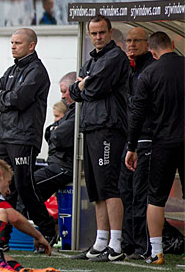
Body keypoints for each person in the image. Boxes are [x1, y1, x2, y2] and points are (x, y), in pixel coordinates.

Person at [69, 14, 128, 262]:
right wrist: (82, 85)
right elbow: (75, 91)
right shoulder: (91, 59)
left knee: (109, 185)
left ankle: (116, 245)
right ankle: (100, 242)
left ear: (110, 31)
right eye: (93, 33)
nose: (97, 37)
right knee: (95, 189)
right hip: (92, 126)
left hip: (109, 127)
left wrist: (85, 85)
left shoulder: (115, 57)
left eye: (101, 32)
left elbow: (93, 88)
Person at [125, 31, 184, 265]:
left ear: (152, 50)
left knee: (156, 198)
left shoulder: (149, 73)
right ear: (172, 44)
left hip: (163, 141)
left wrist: (131, 146)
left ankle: (156, 252)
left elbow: (137, 114)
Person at [0, 28, 50, 248]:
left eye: (18, 43)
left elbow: (21, 99)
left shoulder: (37, 71)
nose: (13, 46)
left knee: (24, 187)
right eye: (12, 42)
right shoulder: (10, 71)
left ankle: (47, 229)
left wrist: (7, 99)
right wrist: (9, 99)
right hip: (5, 136)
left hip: (24, 138)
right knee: (0, 187)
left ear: (31, 46)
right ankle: (0, 239)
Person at [119, 27, 154, 260]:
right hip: (129, 140)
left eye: (136, 41)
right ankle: (128, 243)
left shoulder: (151, 69)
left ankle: (144, 246)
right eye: (128, 41)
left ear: (147, 44)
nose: (131, 45)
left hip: (147, 139)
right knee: (125, 190)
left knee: (141, 193)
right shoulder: (128, 70)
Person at [32, 72, 76, 249]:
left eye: (65, 91)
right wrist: (55, 130)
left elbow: (59, 137)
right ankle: (43, 232)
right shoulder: (70, 111)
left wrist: (55, 131)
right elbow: (51, 133)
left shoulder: (78, 110)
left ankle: (47, 231)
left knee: (29, 186)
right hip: (56, 163)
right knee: (27, 188)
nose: (63, 95)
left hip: (64, 166)